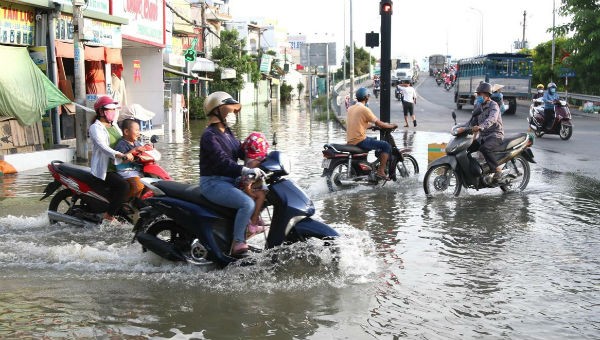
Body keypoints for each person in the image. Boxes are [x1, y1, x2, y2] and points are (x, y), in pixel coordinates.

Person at [199, 91, 265, 256]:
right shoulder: (209, 136)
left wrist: (261, 156)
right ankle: (238, 243)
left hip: (231, 180)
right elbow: (222, 161)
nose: (233, 114)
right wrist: (245, 170)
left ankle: (250, 224)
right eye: (230, 110)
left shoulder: (227, 133)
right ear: (218, 111)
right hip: (214, 183)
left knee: (262, 190)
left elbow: (240, 151)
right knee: (246, 203)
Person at [89, 95, 133, 221]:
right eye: (110, 110)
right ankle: (109, 216)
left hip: (118, 166)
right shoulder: (95, 128)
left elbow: (124, 139)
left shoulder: (114, 126)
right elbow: (103, 146)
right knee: (123, 186)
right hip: (105, 170)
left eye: (114, 110)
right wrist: (120, 155)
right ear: (101, 111)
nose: (113, 112)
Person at [346, 87, 398, 181]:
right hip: (359, 140)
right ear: (366, 97)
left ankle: (371, 168)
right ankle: (380, 171)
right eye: (368, 96)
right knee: (386, 146)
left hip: (350, 139)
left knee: (374, 140)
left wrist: (371, 126)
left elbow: (358, 122)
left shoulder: (351, 108)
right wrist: (391, 126)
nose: (368, 98)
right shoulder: (364, 109)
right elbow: (379, 123)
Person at [461, 82, 505, 181]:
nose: (478, 96)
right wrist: (460, 128)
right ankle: (475, 171)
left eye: (480, 94)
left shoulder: (494, 106)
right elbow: (472, 122)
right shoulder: (479, 106)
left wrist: (480, 127)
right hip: (483, 136)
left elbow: (492, 119)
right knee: (467, 148)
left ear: (486, 95)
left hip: (495, 135)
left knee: (484, 149)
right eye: (478, 94)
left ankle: (497, 170)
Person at [239, 132, 269, 235]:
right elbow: (248, 181)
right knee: (261, 195)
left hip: (252, 186)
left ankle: (254, 217)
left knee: (263, 192)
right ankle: (253, 221)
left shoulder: (250, 158)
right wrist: (249, 192)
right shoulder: (253, 163)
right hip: (248, 189)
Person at [114, 119, 146, 199]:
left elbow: (142, 150)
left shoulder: (136, 142)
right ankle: (126, 202)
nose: (139, 133)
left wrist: (148, 148)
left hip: (136, 170)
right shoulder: (121, 144)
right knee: (139, 186)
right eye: (136, 130)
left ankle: (140, 201)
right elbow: (123, 159)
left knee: (150, 184)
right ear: (126, 132)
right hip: (126, 171)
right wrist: (133, 151)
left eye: (139, 130)